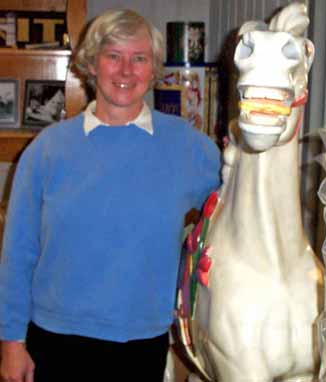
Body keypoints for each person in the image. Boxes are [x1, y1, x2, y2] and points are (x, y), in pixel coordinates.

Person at [0, 8, 220, 382]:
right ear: (91, 65)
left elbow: (237, 213)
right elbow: (17, 253)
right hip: (54, 340)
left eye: (139, 59)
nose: (125, 71)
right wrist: (10, 344)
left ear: (153, 70)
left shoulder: (189, 148)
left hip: (141, 342)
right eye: (113, 56)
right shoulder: (47, 149)